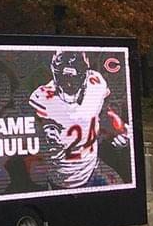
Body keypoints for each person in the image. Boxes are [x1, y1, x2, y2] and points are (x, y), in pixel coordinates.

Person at [28, 50, 130, 189]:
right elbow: (28, 137)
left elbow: (103, 108)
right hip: (62, 178)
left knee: (121, 194)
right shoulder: (41, 99)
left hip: (91, 167)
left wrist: (116, 128)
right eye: (65, 79)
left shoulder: (96, 83)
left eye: (74, 80)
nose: (69, 85)